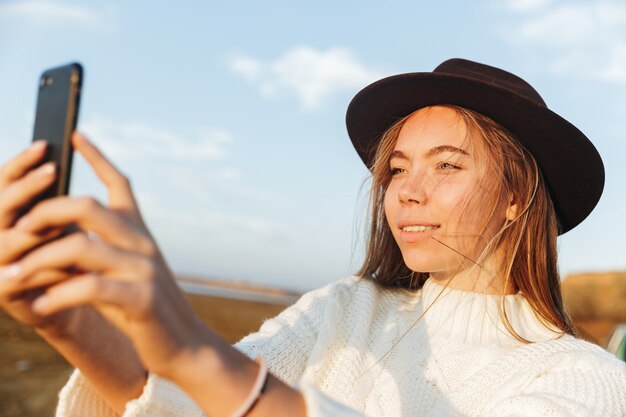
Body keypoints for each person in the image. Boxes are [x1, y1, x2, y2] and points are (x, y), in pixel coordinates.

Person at [0, 58, 624, 417]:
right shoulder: (343, 308)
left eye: (448, 165)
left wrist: (190, 346)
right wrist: (69, 321)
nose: (406, 191)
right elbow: (191, 404)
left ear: (517, 199)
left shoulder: (586, 381)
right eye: (398, 168)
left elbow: (215, 380)